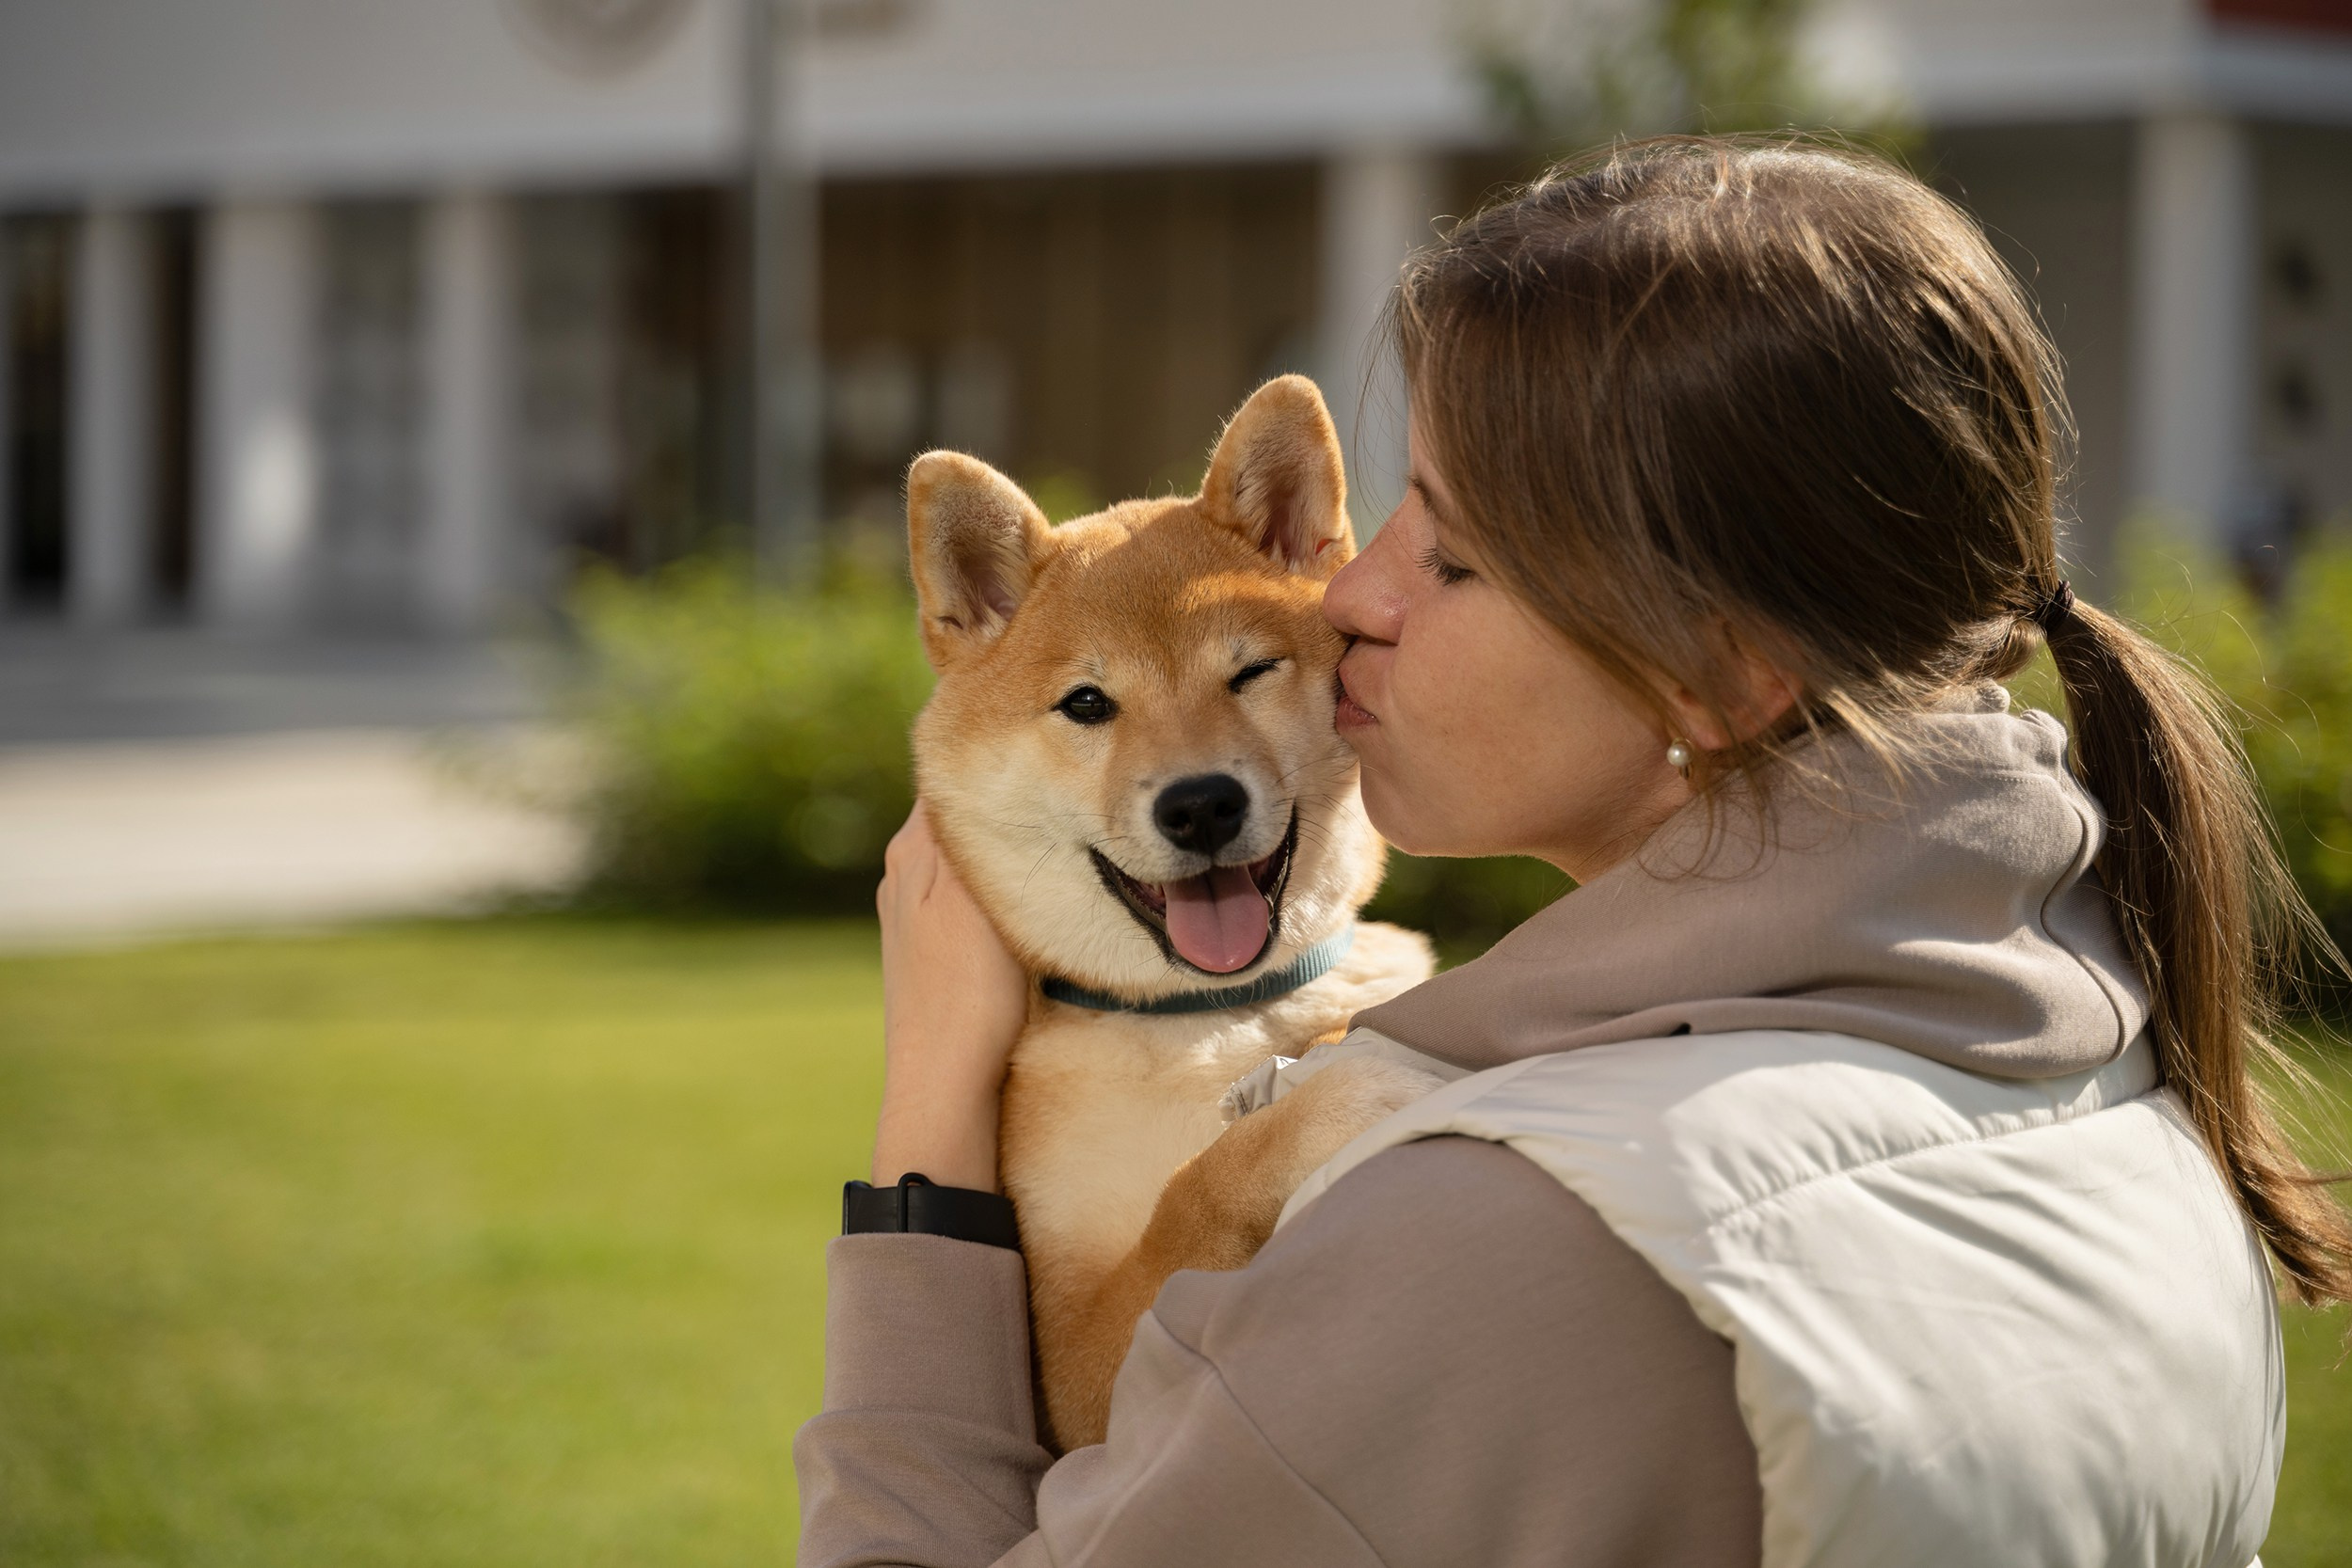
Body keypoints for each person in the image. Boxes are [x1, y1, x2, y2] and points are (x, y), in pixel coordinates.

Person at [794, 136, 2352, 1566]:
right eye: (1391, 511)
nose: (1346, 597)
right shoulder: (2135, 1100)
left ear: (1716, 675)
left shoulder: (1488, 1233)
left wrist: (929, 1105)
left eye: (1454, 554)